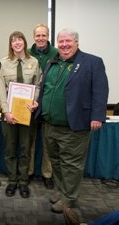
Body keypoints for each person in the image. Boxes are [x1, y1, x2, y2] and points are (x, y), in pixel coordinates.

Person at [34, 28, 109, 213]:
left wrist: (97, 115)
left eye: (68, 41)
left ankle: (69, 199)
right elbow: (47, 89)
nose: (64, 45)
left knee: (72, 164)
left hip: (74, 126)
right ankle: (63, 190)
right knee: (57, 162)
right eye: (61, 42)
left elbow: (100, 91)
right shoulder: (53, 62)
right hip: (50, 124)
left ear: (76, 42)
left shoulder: (92, 62)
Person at [0, 31, 42, 198]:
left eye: (20, 40)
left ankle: (23, 181)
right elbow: (0, 89)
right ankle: (12, 181)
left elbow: (38, 85)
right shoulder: (3, 63)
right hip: (8, 113)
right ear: (10, 44)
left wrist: (35, 101)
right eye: (13, 40)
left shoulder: (34, 62)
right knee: (9, 149)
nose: (17, 43)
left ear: (24, 42)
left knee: (25, 148)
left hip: (27, 114)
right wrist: (6, 111)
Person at [27, 24, 58, 189]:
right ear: (33, 37)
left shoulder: (56, 53)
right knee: (29, 141)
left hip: (47, 104)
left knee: (48, 143)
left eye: (43, 35)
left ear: (48, 36)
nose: (40, 38)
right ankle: (29, 172)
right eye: (38, 35)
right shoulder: (27, 53)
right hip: (29, 104)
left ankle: (47, 174)